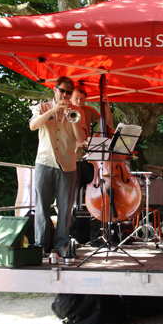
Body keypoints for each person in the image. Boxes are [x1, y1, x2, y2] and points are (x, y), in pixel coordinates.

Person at [29, 76, 87, 258]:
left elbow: (80, 138)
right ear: (55, 90)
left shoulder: (77, 111)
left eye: (69, 93)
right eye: (62, 91)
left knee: (65, 207)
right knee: (41, 206)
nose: (65, 95)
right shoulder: (43, 107)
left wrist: (74, 119)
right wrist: (54, 110)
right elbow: (33, 126)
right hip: (45, 162)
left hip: (68, 165)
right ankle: (41, 244)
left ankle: (62, 243)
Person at [69, 87, 113, 243]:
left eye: (82, 98)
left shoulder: (87, 110)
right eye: (76, 99)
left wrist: (105, 104)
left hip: (90, 161)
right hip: (72, 160)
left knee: (97, 196)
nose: (79, 102)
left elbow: (107, 123)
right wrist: (80, 142)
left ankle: (97, 235)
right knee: (72, 200)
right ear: (70, 98)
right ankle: (72, 236)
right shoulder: (66, 111)